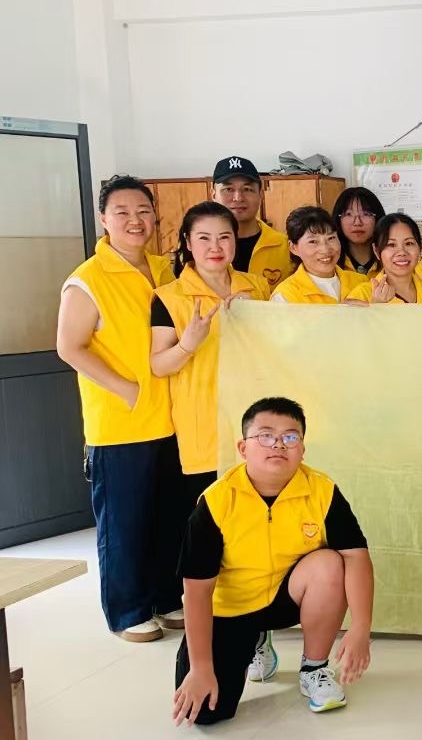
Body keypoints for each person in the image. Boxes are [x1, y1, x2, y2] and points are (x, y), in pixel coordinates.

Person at [172, 397, 373, 725]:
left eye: (290, 437)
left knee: (330, 563)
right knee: (207, 713)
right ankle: (255, 640)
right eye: (265, 435)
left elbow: (356, 556)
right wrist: (201, 668)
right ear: (243, 448)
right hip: (232, 609)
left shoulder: (322, 491)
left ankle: (314, 668)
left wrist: (361, 627)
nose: (279, 445)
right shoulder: (216, 502)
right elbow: (196, 590)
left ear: (302, 449)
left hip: (287, 598)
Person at [56, 176, 185, 643]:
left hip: (171, 418)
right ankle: (128, 611)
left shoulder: (166, 269)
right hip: (120, 425)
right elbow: (69, 347)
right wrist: (126, 389)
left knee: (169, 518)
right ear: (104, 219)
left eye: (144, 211)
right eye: (123, 212)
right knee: (125, 523)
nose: (136, 220)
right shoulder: (88, 279)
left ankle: (166, 598)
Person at [151, 202, 270, 521]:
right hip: (202, 428)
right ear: (188, 243)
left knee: (255, 520)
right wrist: (187, 345)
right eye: (204, 238)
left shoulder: (257, 286)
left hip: (255, 421)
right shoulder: (170, 296)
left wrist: (256, 314)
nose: (215, 247)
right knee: (209, 523)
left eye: (224, 237)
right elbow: (159, 365)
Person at [212, 155, 289, 290]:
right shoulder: (199, 248)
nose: (238, 198)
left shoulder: (285, 247)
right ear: (213, 195)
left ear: (261, 194)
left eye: (247, 189)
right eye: (228, 189)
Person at [271, 205, 368, 304]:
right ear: (293, 248)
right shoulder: (285, 296)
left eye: (331, 238)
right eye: (313, 241)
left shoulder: (361, 282)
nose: (325, 249)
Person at [343, 212, 422, 304]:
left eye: (409, 243)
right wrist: (375, 306)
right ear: (376, 251)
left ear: (420, 247)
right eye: (391, 245)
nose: (401, 252)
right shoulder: (362, 294)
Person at [331, 186, 384, 275]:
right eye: (348, 214)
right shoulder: (330, 264)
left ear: (378, 218)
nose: (357, 222)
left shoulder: (392, 261)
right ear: (338, 219)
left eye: (366, 214)